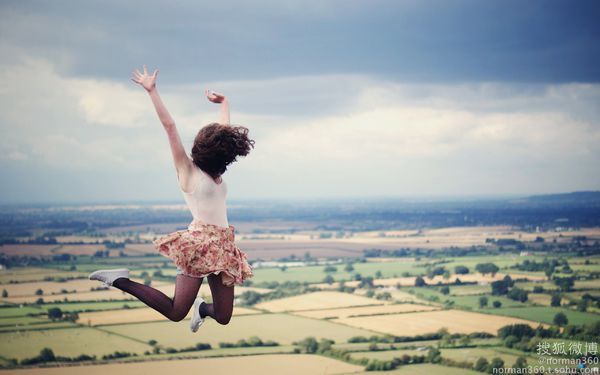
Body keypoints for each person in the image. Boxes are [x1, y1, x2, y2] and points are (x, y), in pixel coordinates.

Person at [89, 65, 254, 332]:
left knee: (223, 316)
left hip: (223, 246)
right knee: (176, 311)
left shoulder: (216, 168)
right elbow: (169, 127)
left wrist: (224, 102)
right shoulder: (188, 171)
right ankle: (119, 280)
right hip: (199, 246)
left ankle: (202, 309)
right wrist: (152, 90)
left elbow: (225, 134)